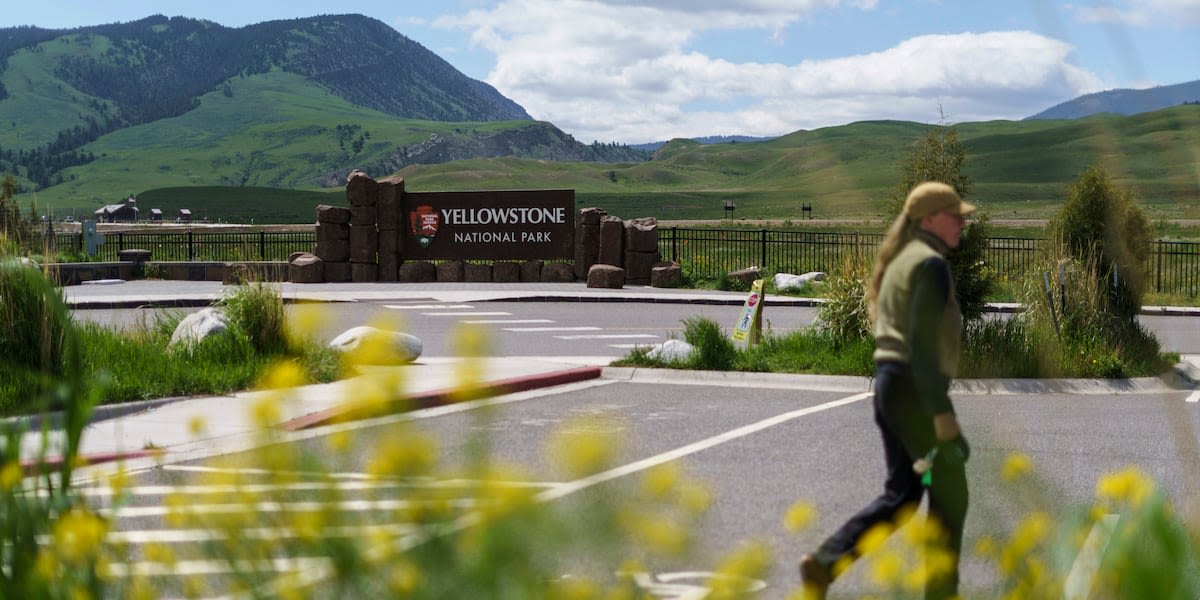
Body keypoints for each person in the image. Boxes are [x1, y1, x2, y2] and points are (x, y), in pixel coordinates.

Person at [798, 181, 975, 600]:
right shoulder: (929, 264)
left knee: (905, 494)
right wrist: (941, 413)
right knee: (950, 493)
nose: (961, 223)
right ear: (929, 219)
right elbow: (919, 344)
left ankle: (825, 564)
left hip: (893, 388)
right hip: (914, 391)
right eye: (954, 215)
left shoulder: (904, 260)